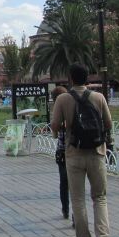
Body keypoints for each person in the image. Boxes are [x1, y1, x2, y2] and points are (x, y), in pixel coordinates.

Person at [51, 63, 114, 237]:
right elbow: (108, 123)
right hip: (96, 152)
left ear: (70, 78)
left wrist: (61, 130)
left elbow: (54, 125)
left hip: (74, 153)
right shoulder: (98, 97)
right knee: (100, 197)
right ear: (87, 78)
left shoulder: (63, 99)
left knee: (78, 199)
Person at [51, 85, 70, 220]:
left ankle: (65, 209)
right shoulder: (74, 108)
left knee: (64, 182)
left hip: (63, 152)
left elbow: (55, 134)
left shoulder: (59, 112)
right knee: (76, 184)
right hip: (77, 150)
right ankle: (77, 214)